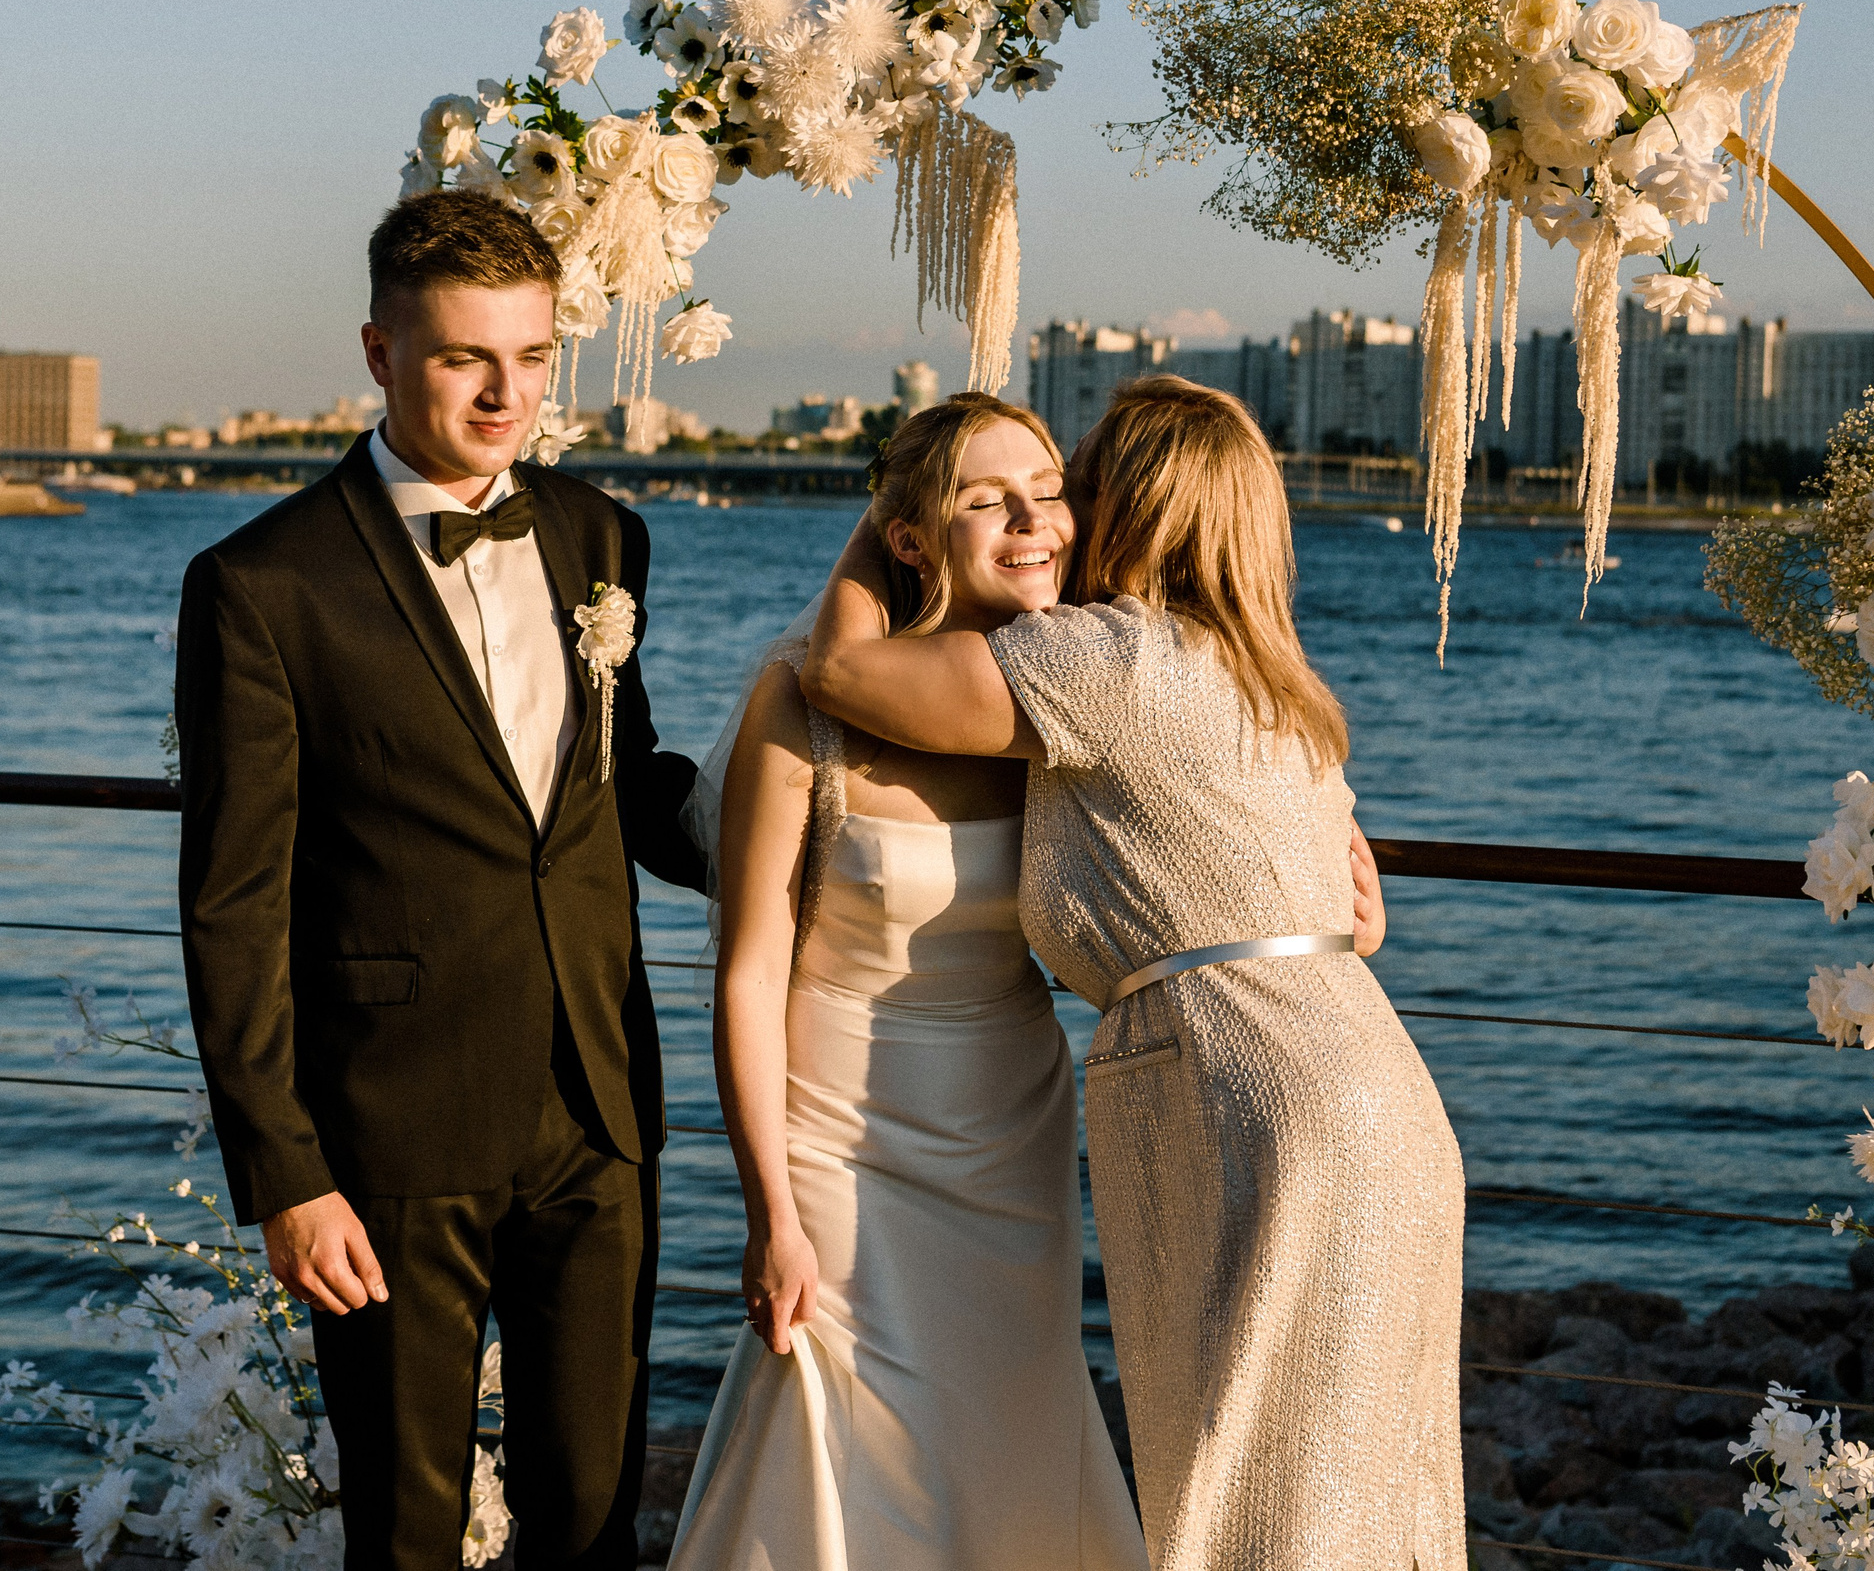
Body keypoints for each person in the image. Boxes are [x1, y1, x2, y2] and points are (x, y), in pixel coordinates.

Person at [799, 376, 1462, 1571]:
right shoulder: (1277, 685)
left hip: (1253, 1100)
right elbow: (1354, 916)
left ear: (1132, 506)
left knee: (1250, 1485)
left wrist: (895, 503)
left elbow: (840, 675)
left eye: (1076, 486)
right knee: (1362, 1492)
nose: (1056, 514)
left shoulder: (1102, 659)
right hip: (1375, 1091)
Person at [175, 188, 704, 1569]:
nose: (504, 393)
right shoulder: (261, 584)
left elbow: (623, 777)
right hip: (390, 1137)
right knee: (404, 1534)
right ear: (380, 353)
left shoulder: (602, 540)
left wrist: (812, 845)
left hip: (599, 1108)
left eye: (531, 359)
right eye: (469, 357)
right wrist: (286, 1172)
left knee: (593, 1519)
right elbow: (234, 901)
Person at [666, 395, 1148, 1570]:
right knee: (837, 1406)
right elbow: (749, 970)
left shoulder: (1068, 692)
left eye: (1048, 490)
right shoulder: (807, 700)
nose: (1034, 521)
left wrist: (1338, 851)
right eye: (988, 499)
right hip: (836, 1123)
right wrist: (767, 1208)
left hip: (1008, 1110)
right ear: (911, 537)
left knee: (1003, 1403)